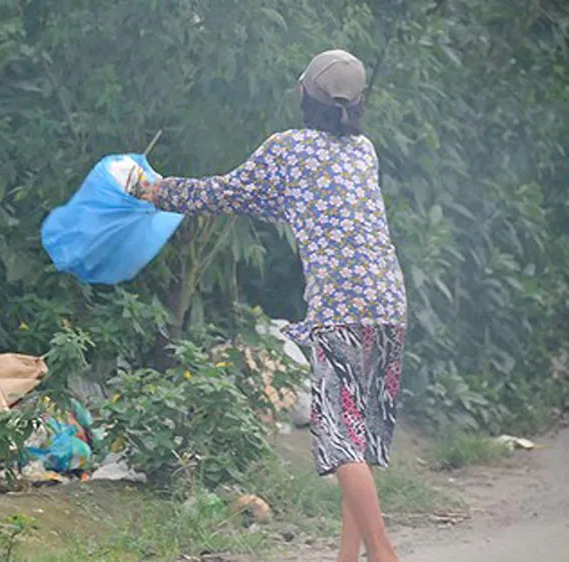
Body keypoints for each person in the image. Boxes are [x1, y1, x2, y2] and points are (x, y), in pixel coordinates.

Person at [138, 49, 407, 562]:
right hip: (390, 304)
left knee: (342, 441)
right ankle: (348, 557)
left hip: (340, 309)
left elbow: (225, 193)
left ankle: (384, 554)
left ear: (304, 94)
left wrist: (158, 191)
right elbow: (278, 202)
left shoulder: (288, 150)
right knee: (362, 439)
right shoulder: (363, 152)